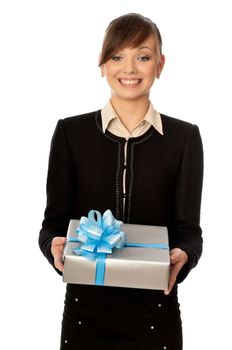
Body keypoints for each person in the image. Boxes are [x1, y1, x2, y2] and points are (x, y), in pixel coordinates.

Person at [39, 13, 203, 350]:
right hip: (85, 317)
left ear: (160, 64)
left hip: (157, 316)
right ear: (102, 64)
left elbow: (189, 233)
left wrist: (184, 254)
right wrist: (53, 247)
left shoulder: (184, 138)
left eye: (142, 56)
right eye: (117, 56)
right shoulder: (71, 134)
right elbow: (52, 225)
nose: (129, 68)